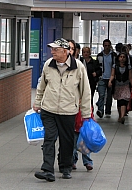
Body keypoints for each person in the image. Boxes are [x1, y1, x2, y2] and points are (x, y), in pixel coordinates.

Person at [33, 38, 91, 181]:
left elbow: (85, 91)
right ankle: (47, 169)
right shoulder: (48, 64)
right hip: (49, 109)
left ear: (65, 52)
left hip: (68, 110)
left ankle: (65, 167)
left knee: (67, 141)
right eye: (51, 49)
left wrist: (86, 113)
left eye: (55, 49)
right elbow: (42, 86)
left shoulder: (78, 67)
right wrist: (37, 102)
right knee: (49, 139)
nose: (52, 52)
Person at [108, 52, 132, 124]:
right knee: (119, 101)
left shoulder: (128, 67)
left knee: (124, 100)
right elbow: (113, 75)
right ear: (118, 58)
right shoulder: (115, 66)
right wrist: (110, 81)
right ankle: (120, 115)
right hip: (117, 85)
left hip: (125, 85)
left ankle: (122, 116)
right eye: (121, 57)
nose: (122, 58)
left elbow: (130, 77)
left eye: (124, 57)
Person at [96, 39, 116, 118]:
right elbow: (97, 66)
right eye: (105, 45)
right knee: (101, 94)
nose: (107, 47)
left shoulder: (113, 56)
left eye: (108, 45)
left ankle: (108, 110)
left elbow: (115, 66)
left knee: (109, 95)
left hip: (111, 78)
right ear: (103, 46)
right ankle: (100, 110)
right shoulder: (100, 56)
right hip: (102, 77)